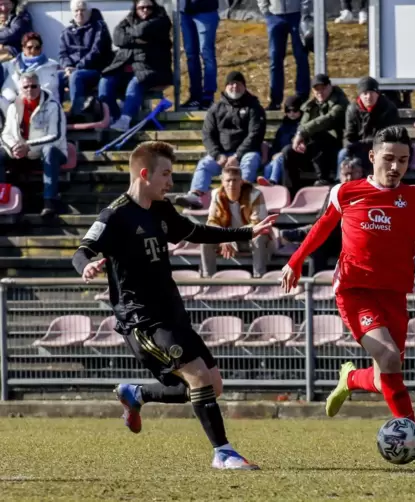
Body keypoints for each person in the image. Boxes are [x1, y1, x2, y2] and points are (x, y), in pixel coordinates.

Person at [280, 126, 415, 464]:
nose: (396, 167)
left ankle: (350, 378)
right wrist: (295, 261)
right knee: (390, 358)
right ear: (373, 156)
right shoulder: (346, 192)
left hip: (395, 295)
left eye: (403, 161)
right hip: (354, 290)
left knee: (384, 374)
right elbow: (321, 228)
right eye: (389, 159)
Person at [71, 141, 277, 470]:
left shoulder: (161, 209)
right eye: (165, 174)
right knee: (197, 376)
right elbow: (82, 250)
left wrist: (247, 231)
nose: (170, 182)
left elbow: (196, 231)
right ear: (143, 174)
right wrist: (87, 266)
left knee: (212, 385)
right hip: (143, 319)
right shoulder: (116, 215)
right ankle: (223, 453)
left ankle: (137, 394)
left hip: (171, 310)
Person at [175, 71, 266, 210]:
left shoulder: (254, 107)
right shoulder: (215, 109)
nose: (234, 87)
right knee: (204, 164)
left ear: (244, 86)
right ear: (225, 87)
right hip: (222, 155)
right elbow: (207, 134)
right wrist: (217, 155)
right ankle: (195, 195)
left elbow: (256, 134)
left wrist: (237, 156)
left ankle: (242, 197)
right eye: (231, 84)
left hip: (246, 153)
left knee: (250, 160)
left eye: (238, 84)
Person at [98, 0, 172, 132]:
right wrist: (136, 40)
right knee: (105, 81)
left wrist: (129, 36)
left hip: (152, 67)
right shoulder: (128, 19)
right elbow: (117, 37)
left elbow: (142, 30)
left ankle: (125, 120)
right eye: (141, 7)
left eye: (149, 7)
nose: (145, 10)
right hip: (125, 66)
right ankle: (114, 117)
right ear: (135, 8)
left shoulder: (161, 20)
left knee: (136, 82)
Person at [0, 72, 66, 218]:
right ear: (20, 89)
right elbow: (5, 134)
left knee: (49, 150)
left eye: (33, 86)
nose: (30, 89)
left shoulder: (53, 106)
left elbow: (56, 136)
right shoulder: (13, 107)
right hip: (22, 153)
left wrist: (27, 146)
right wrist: (13, 147)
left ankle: (50, 201)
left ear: (40, 86)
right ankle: (2, 198)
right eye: (26, 86)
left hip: (51, 152)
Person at [281, 157, 364, 272]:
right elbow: (322, 218)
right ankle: (315, 286)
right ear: (340, 175)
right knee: (316, 245)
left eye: (352, 174)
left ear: (360, 173)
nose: (349, 178)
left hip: (354, 240)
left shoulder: (365, 192)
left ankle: (304, 232)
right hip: (334, 238)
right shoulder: (334, 191)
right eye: (345, 175)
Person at [200, 165, 273, 277]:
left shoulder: (255, 195)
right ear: (222, 182)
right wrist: (223, 238)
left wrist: (229, 236)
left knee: (259, 237)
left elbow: (258, 224)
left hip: (249, 238)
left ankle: (259, 279)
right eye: (228, 180)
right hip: (227, 240)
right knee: (205, 239)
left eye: (235, 180)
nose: (231, 184)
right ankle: (208, 279)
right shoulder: (216, 195)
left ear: (241, 181)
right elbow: (211, 222)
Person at [280, 74, 348, 188]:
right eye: (317, 89)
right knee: (288, 151)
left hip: (334, 149)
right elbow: (302, 125)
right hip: (314, 151)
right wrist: (299, 140)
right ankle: (290, 191)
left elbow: (326, 120)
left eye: (323, 88)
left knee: (318, 134)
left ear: (330, 87)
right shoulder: (311, 106)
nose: (320, 92)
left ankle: (323, 179)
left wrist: (302, 133)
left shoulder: (341, 103)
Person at [59, 0, 114, 118]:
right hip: (73, 70)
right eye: (76, 10)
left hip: (95, 70)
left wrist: (76, 68)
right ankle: (55, 115)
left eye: (83, 10)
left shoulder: (99, 28)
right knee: (55, 77)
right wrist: (67, 67)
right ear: (72, 12)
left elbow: (96, 52)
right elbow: (62, 54)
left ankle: (78, 115)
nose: (79, 13)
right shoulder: (66, 32)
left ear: (89, 11)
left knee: (76, 76)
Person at [257, 0, 310, 110]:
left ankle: (302, 97)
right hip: (274, 16)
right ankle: (275, 100)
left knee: (301, 56)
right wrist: (266, 11)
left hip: (297, 15)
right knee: (275, 58)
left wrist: (305, 11)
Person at [340, 76, 399, 172]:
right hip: (358, 146)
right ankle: (342, 183)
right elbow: (349, 135)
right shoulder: (352, 110)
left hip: (381, 146)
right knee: (343, 154)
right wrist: (348, 146)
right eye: (365, 93)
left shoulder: (388, 109)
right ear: (360, 95)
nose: (368, 97)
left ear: (377, 94)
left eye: (372, 92)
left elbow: (390, 136)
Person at [1, 33, 61, 109]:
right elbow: (7, 88)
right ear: (23, 48)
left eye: (37, 47)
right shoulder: (13, 65)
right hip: (21, 106)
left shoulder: (52, 65)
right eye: (29, 47)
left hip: (47, 106)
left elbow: (50, 88)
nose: (33, 50)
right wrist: (16, 101)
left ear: (41, 48)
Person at [179, 0, 219, 110]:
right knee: (191, 56)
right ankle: (195, 96)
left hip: (205, 12)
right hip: (185, 13)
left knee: (207, 54)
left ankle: (208, 96)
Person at [257, 95, 302, 187]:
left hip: (295, 158)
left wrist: (281, 154)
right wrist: (273, 154)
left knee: (279, 159)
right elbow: (276, 145)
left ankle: (273, 182)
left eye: (295, 110)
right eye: (288, 111)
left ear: (300, 110)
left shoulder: (302, 126)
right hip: (279, 157)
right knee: (268, 167)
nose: (292, 113)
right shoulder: (283, 128)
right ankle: (266, 186)